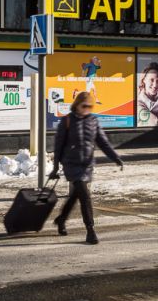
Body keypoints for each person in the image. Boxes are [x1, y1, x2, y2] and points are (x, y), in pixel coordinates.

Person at [53, 90, 124, 244]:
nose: (87, 109)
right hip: (71, 164)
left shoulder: (93, 121)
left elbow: (103, 142)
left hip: (87, 165)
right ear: (77, 105)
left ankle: (61, 219)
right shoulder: (67, 121)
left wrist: (115, 157)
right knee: (85, 196)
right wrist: (55, 167)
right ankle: (90, 230)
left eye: (90, 106)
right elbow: (58, 145)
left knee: (77, 195)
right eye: (84, 106)